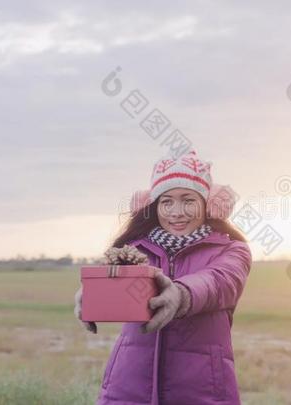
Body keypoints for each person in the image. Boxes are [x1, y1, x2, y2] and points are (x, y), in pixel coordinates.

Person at [74, 149, 252, 404]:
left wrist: (179, 295)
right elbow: (107, 277)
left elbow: (219, 282)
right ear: (154, 205)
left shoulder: (231, 250)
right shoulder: (134, 249)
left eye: (188, 200)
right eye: (166, 201)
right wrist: (90, 295)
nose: (176, 212)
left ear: (208, 204)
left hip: (202, 391)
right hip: (129, 388)